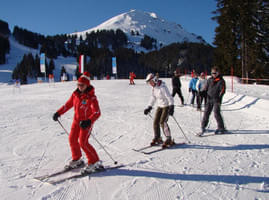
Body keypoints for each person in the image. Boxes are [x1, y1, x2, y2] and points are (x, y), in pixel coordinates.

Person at [53, 71, 103, 173]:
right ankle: (77, 159)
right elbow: (68, 105)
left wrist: (89, 121)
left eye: (82, 85)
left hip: (86, 123)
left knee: (83, 142)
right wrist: (58, 113)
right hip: (76, 122)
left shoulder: (91, 98)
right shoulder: (75, 95)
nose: (79, 87)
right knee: (72, 139)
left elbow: (97, 112)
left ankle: (95, 162)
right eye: (78, 84)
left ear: (87, 85)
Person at [144, 73, 175, 148]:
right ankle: (157, 137)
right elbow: (153, 98)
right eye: (149, 83)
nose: (150, 84)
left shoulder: (162, 87)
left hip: (166, 106)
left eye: (150, 82)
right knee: (155, 122)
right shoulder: (154, 88)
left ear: (154, 80)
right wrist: (149, 107)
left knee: (163, 122)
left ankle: (168, 138)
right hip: (159, 106)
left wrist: (171, 106)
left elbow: (169, 97)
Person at [198, 66, 226, 136]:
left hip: (216, 99)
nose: (213, 74)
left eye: (215, 73)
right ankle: (203, 126)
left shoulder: (221, 81)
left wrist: (219, 97)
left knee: (216, 113)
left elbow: (223, 91)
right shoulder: (210, 80)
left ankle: (221, 127)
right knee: (206, 112)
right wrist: (202, 92)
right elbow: (206, 88)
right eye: (212, 73)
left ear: (218, 73)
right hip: (209, 98)